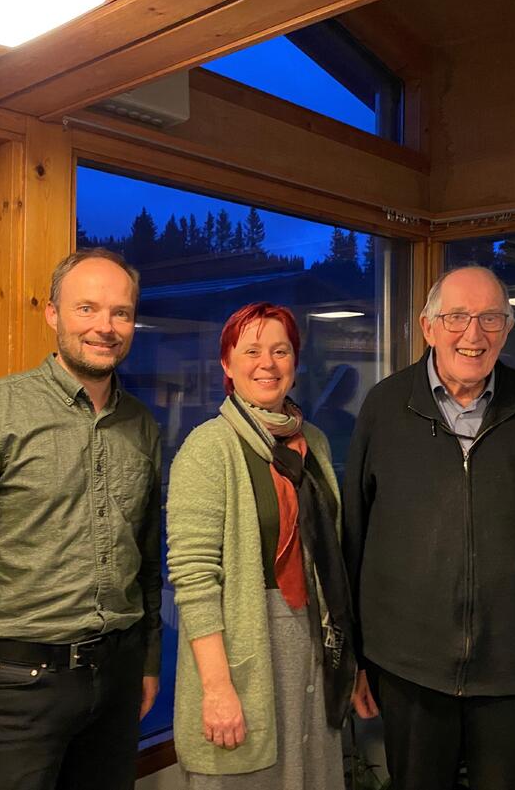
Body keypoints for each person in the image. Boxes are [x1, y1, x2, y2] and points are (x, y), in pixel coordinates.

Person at [0, 248, 163, 789]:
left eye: (120, 312)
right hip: (15, 687)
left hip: (115, 681)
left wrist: (147, 663)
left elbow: (145, 562)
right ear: (53, 314)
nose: (105, 327)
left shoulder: (141, 425)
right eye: (87, 308)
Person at [343, 266, 515, 790]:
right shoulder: (385, 406)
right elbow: (354, 538)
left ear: (508, 328)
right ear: (428, 327)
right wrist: (357, 660)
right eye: (457, 318)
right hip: (408, 670)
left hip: (513, 670)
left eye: (490, 318)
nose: (473, 335)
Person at [166, 302, 354, 789]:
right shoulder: (209, 447)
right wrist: (217, 687)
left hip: (313, 642)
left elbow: (328, 555)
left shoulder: (312, 441)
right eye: (251, 351)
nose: (267, 363)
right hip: (245, 647)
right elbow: (193, 578)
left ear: (295, 361)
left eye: (280, 350)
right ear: (227, 364)